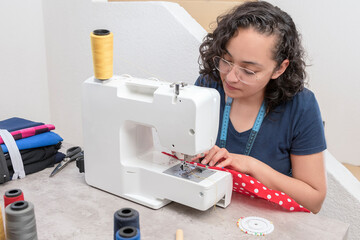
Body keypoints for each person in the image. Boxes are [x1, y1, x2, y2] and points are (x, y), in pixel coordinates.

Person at [194, 1, 327, 213]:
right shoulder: (208, 85)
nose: (231, 77)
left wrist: (251, 166)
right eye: (226, 60)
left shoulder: (301, 106)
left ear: (279, 68)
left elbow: (314, 200)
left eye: (248, 70)